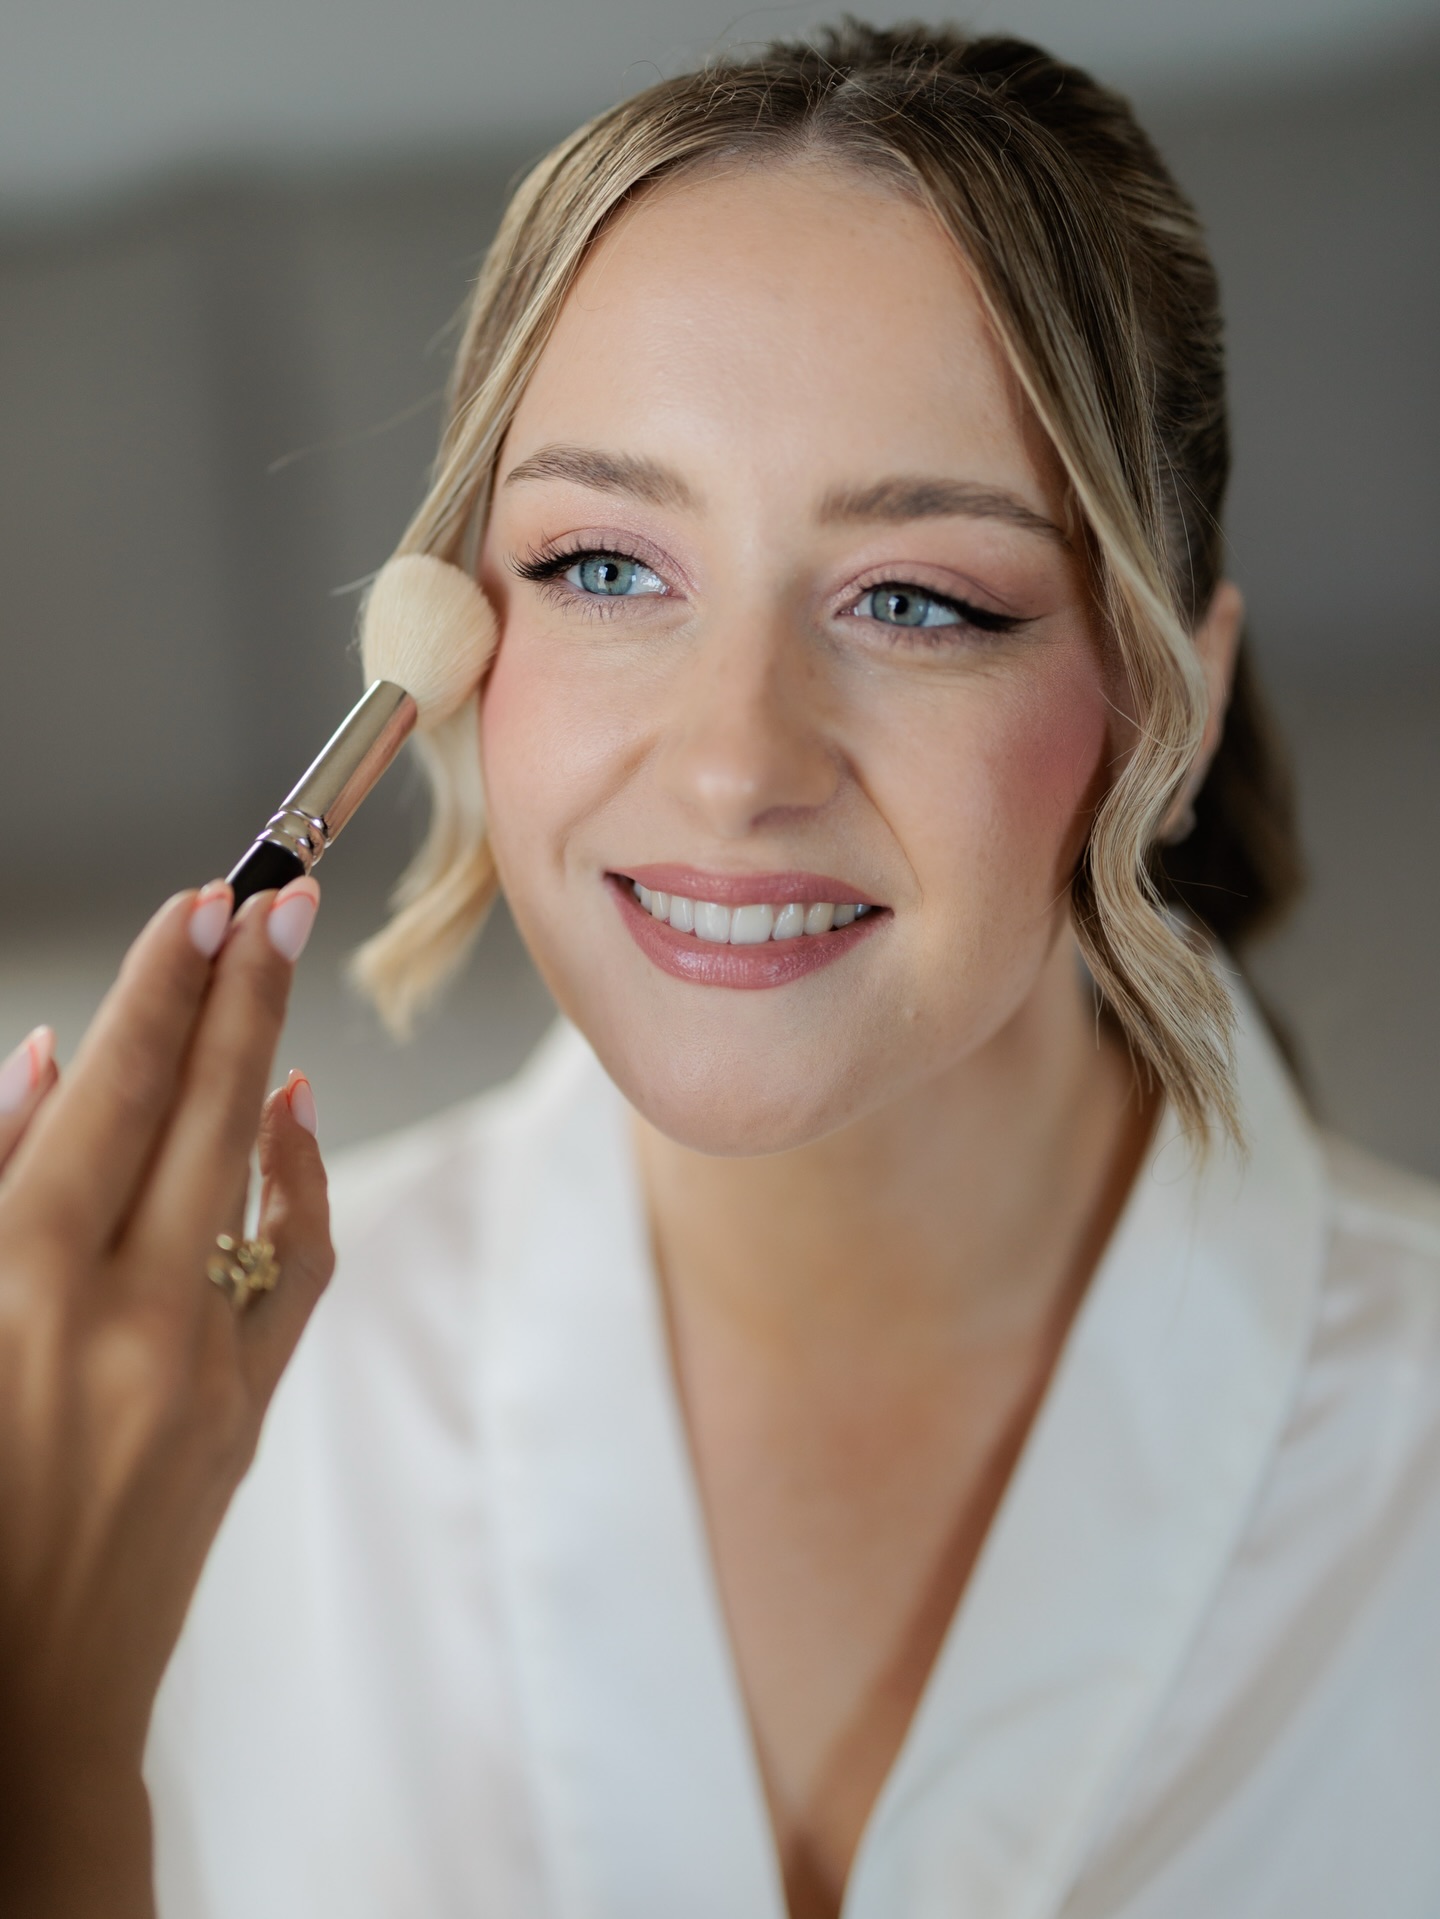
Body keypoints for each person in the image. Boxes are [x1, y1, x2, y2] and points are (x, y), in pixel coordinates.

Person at [2, 22, 1438, 1919]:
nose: (735, 762)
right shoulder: (145, 1473)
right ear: (459, 641)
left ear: (1177, 698)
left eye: (919, 600)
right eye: (606, 566)